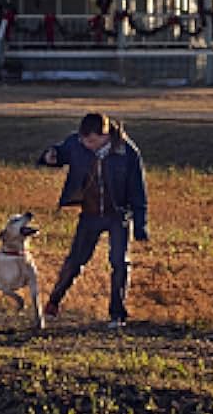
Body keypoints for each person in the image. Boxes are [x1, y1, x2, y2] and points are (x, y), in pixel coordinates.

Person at [38, 111, 149, 329]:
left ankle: (117, 315)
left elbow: (138, 190)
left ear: (105, 135)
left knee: (119, 263)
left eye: (91, 141)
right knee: (75, 262)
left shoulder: (127, 152)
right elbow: (59, 153)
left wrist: (141, 223)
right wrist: (49, 156)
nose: (86, 144)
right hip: (89, 214)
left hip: (118, 215)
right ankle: (53, 303)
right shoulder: (76, 143)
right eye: (83, 140)